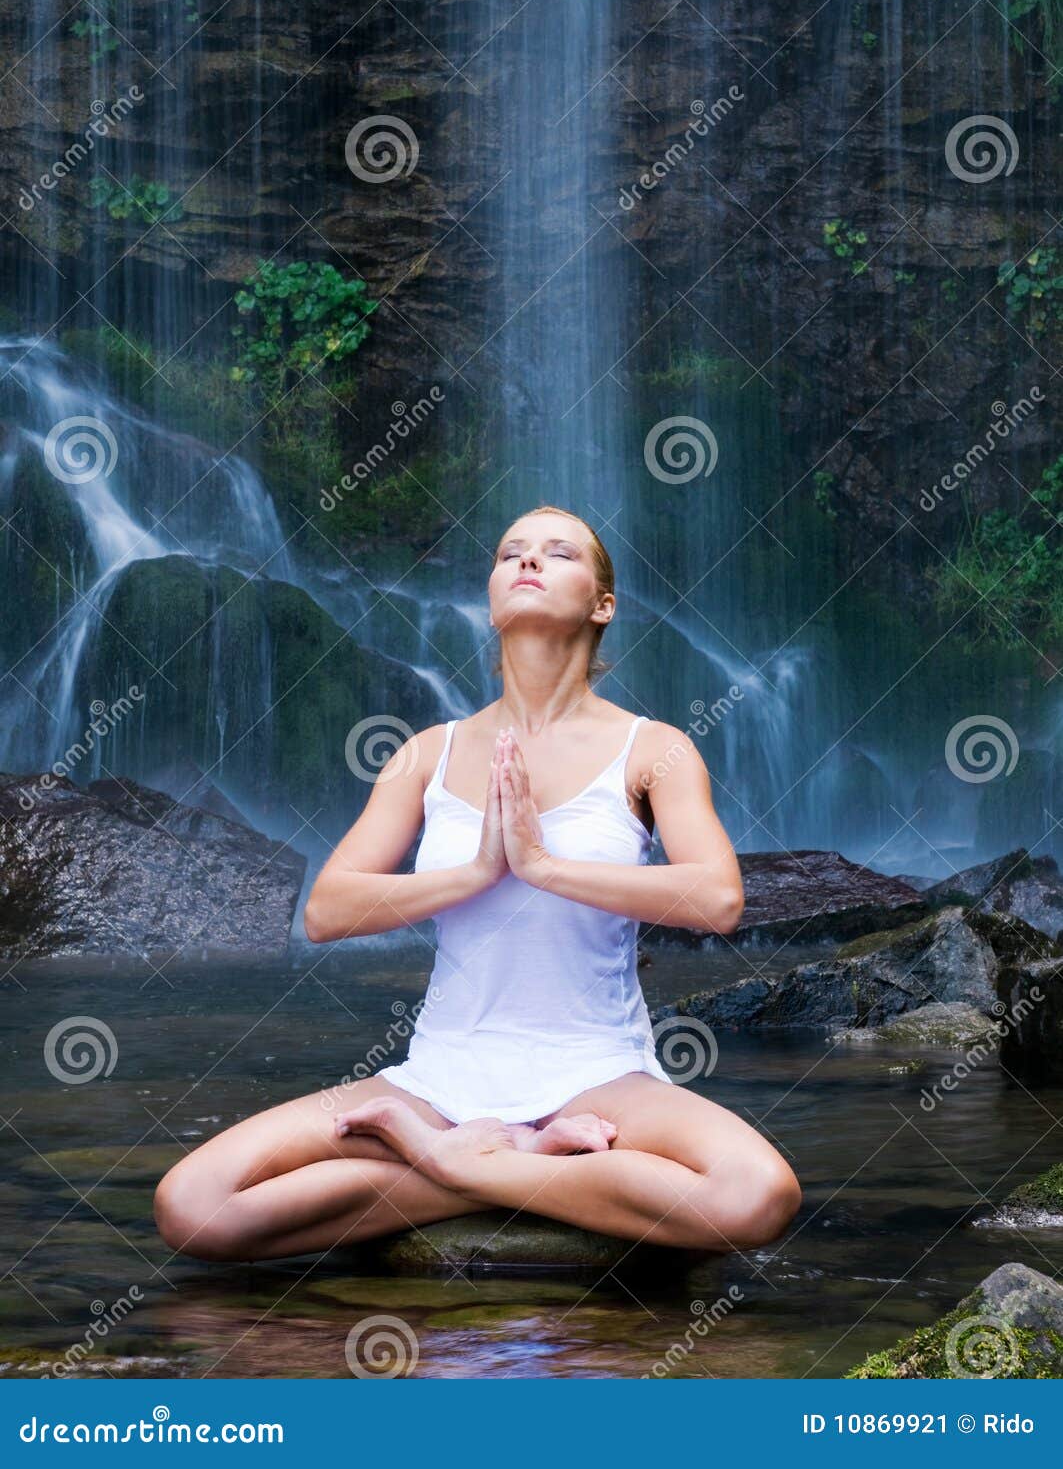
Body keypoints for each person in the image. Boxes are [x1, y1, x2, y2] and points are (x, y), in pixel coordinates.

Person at [154, 505, 801, 1262]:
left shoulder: (651, 749)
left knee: (755, 1193)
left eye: (557, 553)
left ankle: (444, 1160)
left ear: (603, 604)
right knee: (193, 1206)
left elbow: (717, 900)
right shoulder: (426, 754)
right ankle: (511, 1162)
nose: (527, 562)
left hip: (595, 1073)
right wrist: (474, 872)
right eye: (509, 554)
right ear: (491, 596)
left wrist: (542, 866)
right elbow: (327, 912)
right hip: (438, 1075)